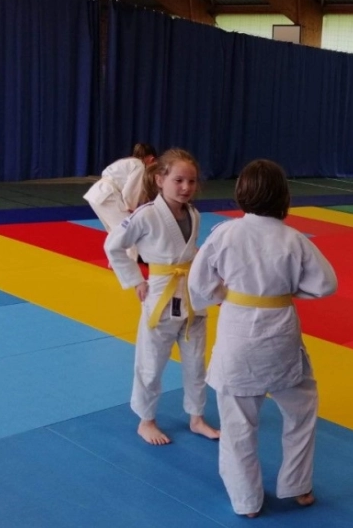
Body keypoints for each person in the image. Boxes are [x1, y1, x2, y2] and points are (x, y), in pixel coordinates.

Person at [188, 159, 338, 518]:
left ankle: (247, 502)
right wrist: (288, 291)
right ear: (283, 196)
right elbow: (326, 284)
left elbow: (198, 283)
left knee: (238, 423)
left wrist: (222, 295)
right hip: (280, 333)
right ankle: (298, 486)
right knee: (301, 409)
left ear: (242, 192)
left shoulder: (225, 233)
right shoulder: (294, 239)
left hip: (238, 333)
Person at [103, 149, 219, 446]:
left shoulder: (193, 213)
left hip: (192, 299)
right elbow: (113, 246)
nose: (186, 187)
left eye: (191, 181)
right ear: (159, 179)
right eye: (178, 180)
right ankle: (146, 420)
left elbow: (193, 256)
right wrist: (134, 280)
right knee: (151, 363)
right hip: (161, 295)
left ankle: (196, 417)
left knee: (196, 363)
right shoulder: (146, 215)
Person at [85, 143, 158, 261]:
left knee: (114, 231)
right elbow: (130, 190)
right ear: (151, 159)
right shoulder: (139, 165)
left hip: (97, 194)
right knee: (128, 230)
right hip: (107, 195)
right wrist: (130, 207)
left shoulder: (127, 161)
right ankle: (128, 263)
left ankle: (115, 261)